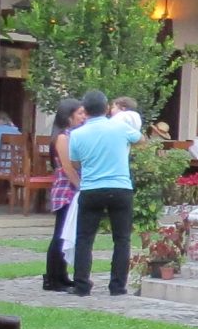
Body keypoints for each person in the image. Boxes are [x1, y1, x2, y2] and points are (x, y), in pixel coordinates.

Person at [67, 88, 142, 296]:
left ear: (85, 110)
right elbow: (140, 139)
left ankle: (81, 285)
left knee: (84, 238)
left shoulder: (77, 134)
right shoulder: (120, 127)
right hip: (120, 187)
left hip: (91, 188)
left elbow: (75, 163)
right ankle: (117, 286)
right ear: (107, 108)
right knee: (122, 239)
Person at [43, 97, 86, 290]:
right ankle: (52, 278)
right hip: (65, 191)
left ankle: (61, 275)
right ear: (68, 116)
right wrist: (80, 186)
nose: (83, 117)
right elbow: (68, 168)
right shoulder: (62, 137)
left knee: (66, 233)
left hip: (71, 189)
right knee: (60, 234)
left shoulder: (73, 135)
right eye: (80, 113)